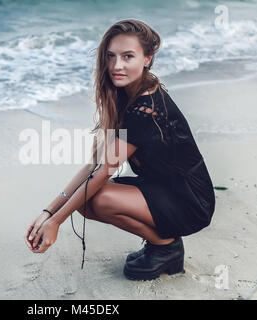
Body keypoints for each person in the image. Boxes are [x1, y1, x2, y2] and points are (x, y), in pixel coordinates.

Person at [24, 19, 216, 281]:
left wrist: (56, 222)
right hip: (162, 187)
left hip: (190, 200)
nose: (117, 66)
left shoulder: (145, 109)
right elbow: (94, 165)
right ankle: (164, 243)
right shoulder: (126, 94)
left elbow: (104, 172)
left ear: (147, 58)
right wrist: (48, 212)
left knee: (97, 198)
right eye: (111, 56)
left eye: (128, 56)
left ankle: (165, 245)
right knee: (84, 199)